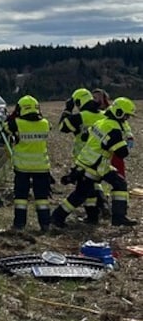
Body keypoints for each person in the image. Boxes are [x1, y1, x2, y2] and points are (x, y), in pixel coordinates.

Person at [52, 97, 137, 230]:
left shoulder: (102, 122)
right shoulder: (113, 129)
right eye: (126, 116)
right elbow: (122, 153)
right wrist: (124, 144)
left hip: (89, 163)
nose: (127, 119)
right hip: (94, 166)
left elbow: (86, 135)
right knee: (82, 194)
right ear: (119, 113)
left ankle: (57, 217)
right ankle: (57, 216)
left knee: (83, 193)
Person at [59, 87, 109, 222]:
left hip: (84, 158)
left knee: (82, 190)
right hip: (101, 157)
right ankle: (96, 213)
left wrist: (67, 109)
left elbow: (62, 128)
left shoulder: (80, 117)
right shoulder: (104, 115)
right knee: (93, 185)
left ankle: (58, 216)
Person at [7, 95, 52, 232]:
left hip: (22, 168)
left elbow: (5, 128)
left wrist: (11, 116)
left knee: (21, 198)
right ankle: (45, 225)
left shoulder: (16, 123)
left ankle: (19, 224)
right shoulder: (45, 123)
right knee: (42, 199)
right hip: (42, 168)